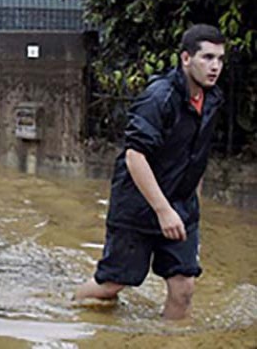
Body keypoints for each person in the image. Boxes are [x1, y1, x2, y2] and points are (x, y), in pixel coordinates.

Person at [75, 24, 226, 319]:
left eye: (220, 59)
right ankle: (70, 306)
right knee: (111, 284)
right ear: (186, 59)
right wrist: (162, 209)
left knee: (183, 288)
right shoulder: (159, 98)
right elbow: (135, 156)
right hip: (138, 207)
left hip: (180, 207)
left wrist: (191, 209)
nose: (215, 67)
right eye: (207, 58)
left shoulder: (212, 100)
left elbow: (195, 157)